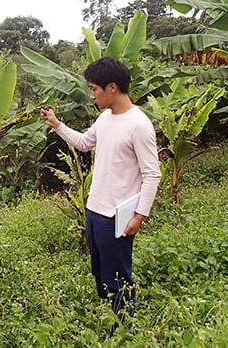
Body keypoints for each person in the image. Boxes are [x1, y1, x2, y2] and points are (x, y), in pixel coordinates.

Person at [40, 56, 161, 324]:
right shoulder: (106, 118)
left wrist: (139, 216)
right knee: (101, 274)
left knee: (118, 276)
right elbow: (84, 143)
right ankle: (112, 319)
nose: (92, 95)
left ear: (112, 88)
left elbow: (152, 174)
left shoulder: (139, 125)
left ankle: (124, 329)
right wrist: (57, 124)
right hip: (94, 210)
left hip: (116, 217)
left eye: (94, 89)